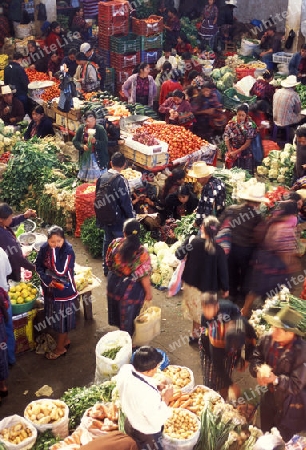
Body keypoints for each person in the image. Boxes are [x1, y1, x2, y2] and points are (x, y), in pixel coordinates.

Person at [249, 306, 306, 441]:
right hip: (270, 397)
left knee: (281, 439)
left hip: (291, 404)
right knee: (265, 432)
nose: (274, 331)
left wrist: (275, 380)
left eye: (279, 329)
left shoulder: (302, 352)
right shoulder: (267, 339)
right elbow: (256, 357)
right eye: (274, 326)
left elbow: (296, 385)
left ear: (291, 333)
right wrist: (257, 369)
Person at [242, 201, 300, 317]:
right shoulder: (286, 226)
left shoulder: (274, 219)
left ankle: (245, 310)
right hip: (275, 263)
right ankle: (270, 314)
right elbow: (284, 251)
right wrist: (292, 266)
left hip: (262, 258)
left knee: (256, 288)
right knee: (278, 290)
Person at [175, 216, 229, 341]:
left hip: (192, 286)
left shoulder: (193, 242)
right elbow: (223, 272)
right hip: (209, 289)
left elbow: (178, 254)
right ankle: (204, 337)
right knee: (206, 313)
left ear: (202, 227)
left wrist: (187, 240)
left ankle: (195, 335)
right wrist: (225, 288)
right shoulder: (219, 250)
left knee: (196, 313)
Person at [199, 293, 256, 398]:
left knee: (227, 373)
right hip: (209, 347)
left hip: (226, 345)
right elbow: (217, 364)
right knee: (211, 379)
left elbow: (252, 340)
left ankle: (223, 396)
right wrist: (231, 384)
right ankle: (211, 397)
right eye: (205, 309)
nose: (207, 313)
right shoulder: (215, 335)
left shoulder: (242, 323)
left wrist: (246, 359)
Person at [218, 183, 267, 303]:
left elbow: (219, 223)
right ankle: (242, 296)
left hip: (231, 247)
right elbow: (261, 234)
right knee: (246, 273)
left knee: (231, 271)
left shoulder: (232, 209)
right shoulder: (258, 216)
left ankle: (232, 293)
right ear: (257, 203)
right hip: (248, 250)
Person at [117, 346, 172, 450]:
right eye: (157, 366)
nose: (157, 369)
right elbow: (156, 420)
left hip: (130, 422)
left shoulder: (125, 370)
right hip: (146, 433)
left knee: (136, 445)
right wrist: (166, 399)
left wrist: (155, 385)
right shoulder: (147, 394)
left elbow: (137, 381)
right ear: (150, 370)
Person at [36, 226, 78, 360]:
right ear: (47, 240)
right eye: (52, 242)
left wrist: (53, 251)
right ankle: (64, 340)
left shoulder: (68, 251)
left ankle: (60, 349)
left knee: (61, 321)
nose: (55, 244)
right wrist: (47, 280)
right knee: (56, 318)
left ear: (64, 239)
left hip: (64, 291)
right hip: (50, 289)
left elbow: (60, 271)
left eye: (58, 241)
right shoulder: (44, 248)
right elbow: (38, 266)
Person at [106, 219, 152, 337]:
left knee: (117, 309)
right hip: (130, 290)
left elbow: (108, 263)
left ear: (124, 232)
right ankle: (129, 341)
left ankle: (122, 335)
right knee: (130, 314)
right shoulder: (142, 252)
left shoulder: (115, 243)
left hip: (113, 284)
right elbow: (144, 276)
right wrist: (148, 292)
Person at [95, 152, 134, 276]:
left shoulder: (102, 177)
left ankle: (106, 268)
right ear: (124, 165)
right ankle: (118, 272)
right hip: (118, 220)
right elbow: (126, 203)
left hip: (105, 217)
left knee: (107, 241)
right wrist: (132, 219)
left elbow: (97, 197)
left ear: (111, 163)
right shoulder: (121, 181)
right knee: (120, 245)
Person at [0, 203, 36, 282]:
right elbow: (18, 259)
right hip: (9, 266)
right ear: (1, 219)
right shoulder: (4, 237)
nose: (11, 219)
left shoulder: (3, 224)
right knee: (12, 281)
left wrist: (24, 216)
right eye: (9, 218)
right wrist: (34, 268)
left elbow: (10, 223)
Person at [73, 110, 108, 183]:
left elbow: (105, 144)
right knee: (85, 180)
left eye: (93, 121)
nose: (91, 123)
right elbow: (75, 141)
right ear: (85, 121)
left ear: (95, 120)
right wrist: (82, 146)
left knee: (98, 181)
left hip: (97, 159)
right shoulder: (81, 129)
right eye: (89, 122)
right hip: (85, 158)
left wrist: (96, 142)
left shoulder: (100, 129)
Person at [224, 103, 258, 174]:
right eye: (239, 115)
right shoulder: (231, 124)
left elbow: (247, 143)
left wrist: (236, 152)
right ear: (236, 114)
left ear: (246, 115)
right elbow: (226, 137)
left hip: (245, 152)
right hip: (233, 149)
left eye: (243, 115)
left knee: (245, 174)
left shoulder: (250, 125)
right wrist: (230, 151)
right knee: (233, 174)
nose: (240, 117)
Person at [189, 162, 226, 226]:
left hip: (212, 222)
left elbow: (208, 209)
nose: (197, 180)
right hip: (221, 216)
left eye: (198, 177)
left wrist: (198, 222)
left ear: (204, 176)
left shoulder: (208, 188)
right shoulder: (218, 181)